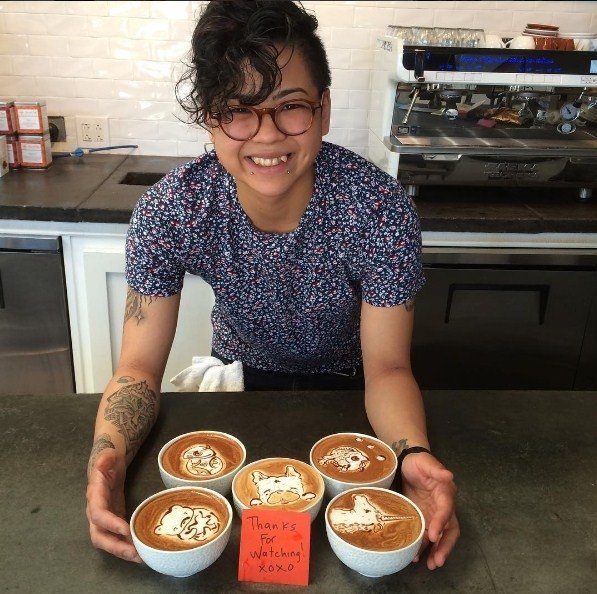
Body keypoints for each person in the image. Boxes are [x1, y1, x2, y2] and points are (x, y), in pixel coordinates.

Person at [86, 0, 459, 570]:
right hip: (236, 393)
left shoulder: (378, 209)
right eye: (238, 110)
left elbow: (388, 368)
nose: (266, 135)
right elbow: (137, 369)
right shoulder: (173, 209)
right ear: (209, 119)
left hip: (355, 405)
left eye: (290, 106)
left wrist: (412, 454)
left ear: (324, 109)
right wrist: (106, 461)